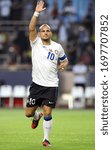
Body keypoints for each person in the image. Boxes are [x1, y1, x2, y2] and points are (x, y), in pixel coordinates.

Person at [25, 0, 68, 147]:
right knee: (28, 113)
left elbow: (65, 60)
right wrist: (36, 13)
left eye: (47, 30)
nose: (45, 32)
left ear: (51, 33)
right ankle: (36, 117)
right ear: (39, 33)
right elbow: (31, 28)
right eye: (42, 30)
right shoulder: (35, 43)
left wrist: (63, 65)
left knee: (48, 111)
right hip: (37, 85)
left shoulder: (58, 47)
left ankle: (46, 139)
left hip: (51, 84)